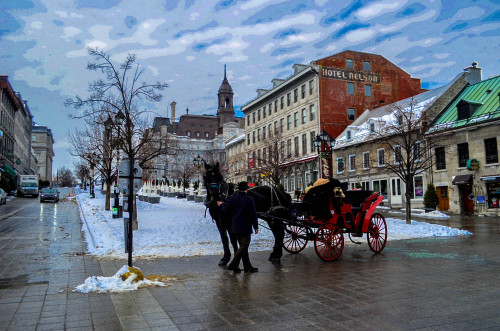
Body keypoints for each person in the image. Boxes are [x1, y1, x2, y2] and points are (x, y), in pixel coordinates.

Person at [217, 181, 259, 273]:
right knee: (244, 246)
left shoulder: (233, 199)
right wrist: (256, 226)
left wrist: (221, 205)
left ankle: (247, 266)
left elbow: (227, 210)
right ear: (246, 189)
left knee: (243, 247)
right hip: (245, 227)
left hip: (235, 227)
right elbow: (253, 214)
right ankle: (233, 264)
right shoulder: (249, 199)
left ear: (239, 189)